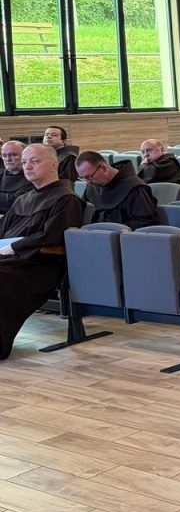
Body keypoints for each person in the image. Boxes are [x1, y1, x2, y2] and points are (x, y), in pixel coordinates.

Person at [0, 145, 84, 361]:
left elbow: (53, 237)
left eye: (35, 161)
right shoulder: (23, 199)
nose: (27, 166)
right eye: (24, 162)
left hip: (40, 264)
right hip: (11, 259)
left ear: (54, 164)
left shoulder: (66, 198)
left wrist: (16, 247)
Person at [74, 151, 159, 230]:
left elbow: (145, 222)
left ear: (104, 168)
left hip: (123, 238)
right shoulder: (92, 186)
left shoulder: (135, 188)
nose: (88, 182)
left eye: (90, 176)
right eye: (83, 178)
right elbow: (83, 214)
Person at [0, 140, 34, 214]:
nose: (8, 159)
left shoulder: (32, 176)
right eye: (4, 155)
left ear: (25, 156)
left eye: (13, 155)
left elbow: (15, 202)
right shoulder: (1, 174)